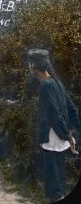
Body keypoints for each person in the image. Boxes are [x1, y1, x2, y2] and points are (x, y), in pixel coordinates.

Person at [27, 48, 80, 203]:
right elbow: (72, 109)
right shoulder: (56, 82)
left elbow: (55, 115)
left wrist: (68, 136)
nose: (29, 67)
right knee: (60, 181)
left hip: (53, 139)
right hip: (61, 139)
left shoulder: (45, 86)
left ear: (33, 66)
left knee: (53, 186)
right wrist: (72, 134)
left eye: (30, 64)